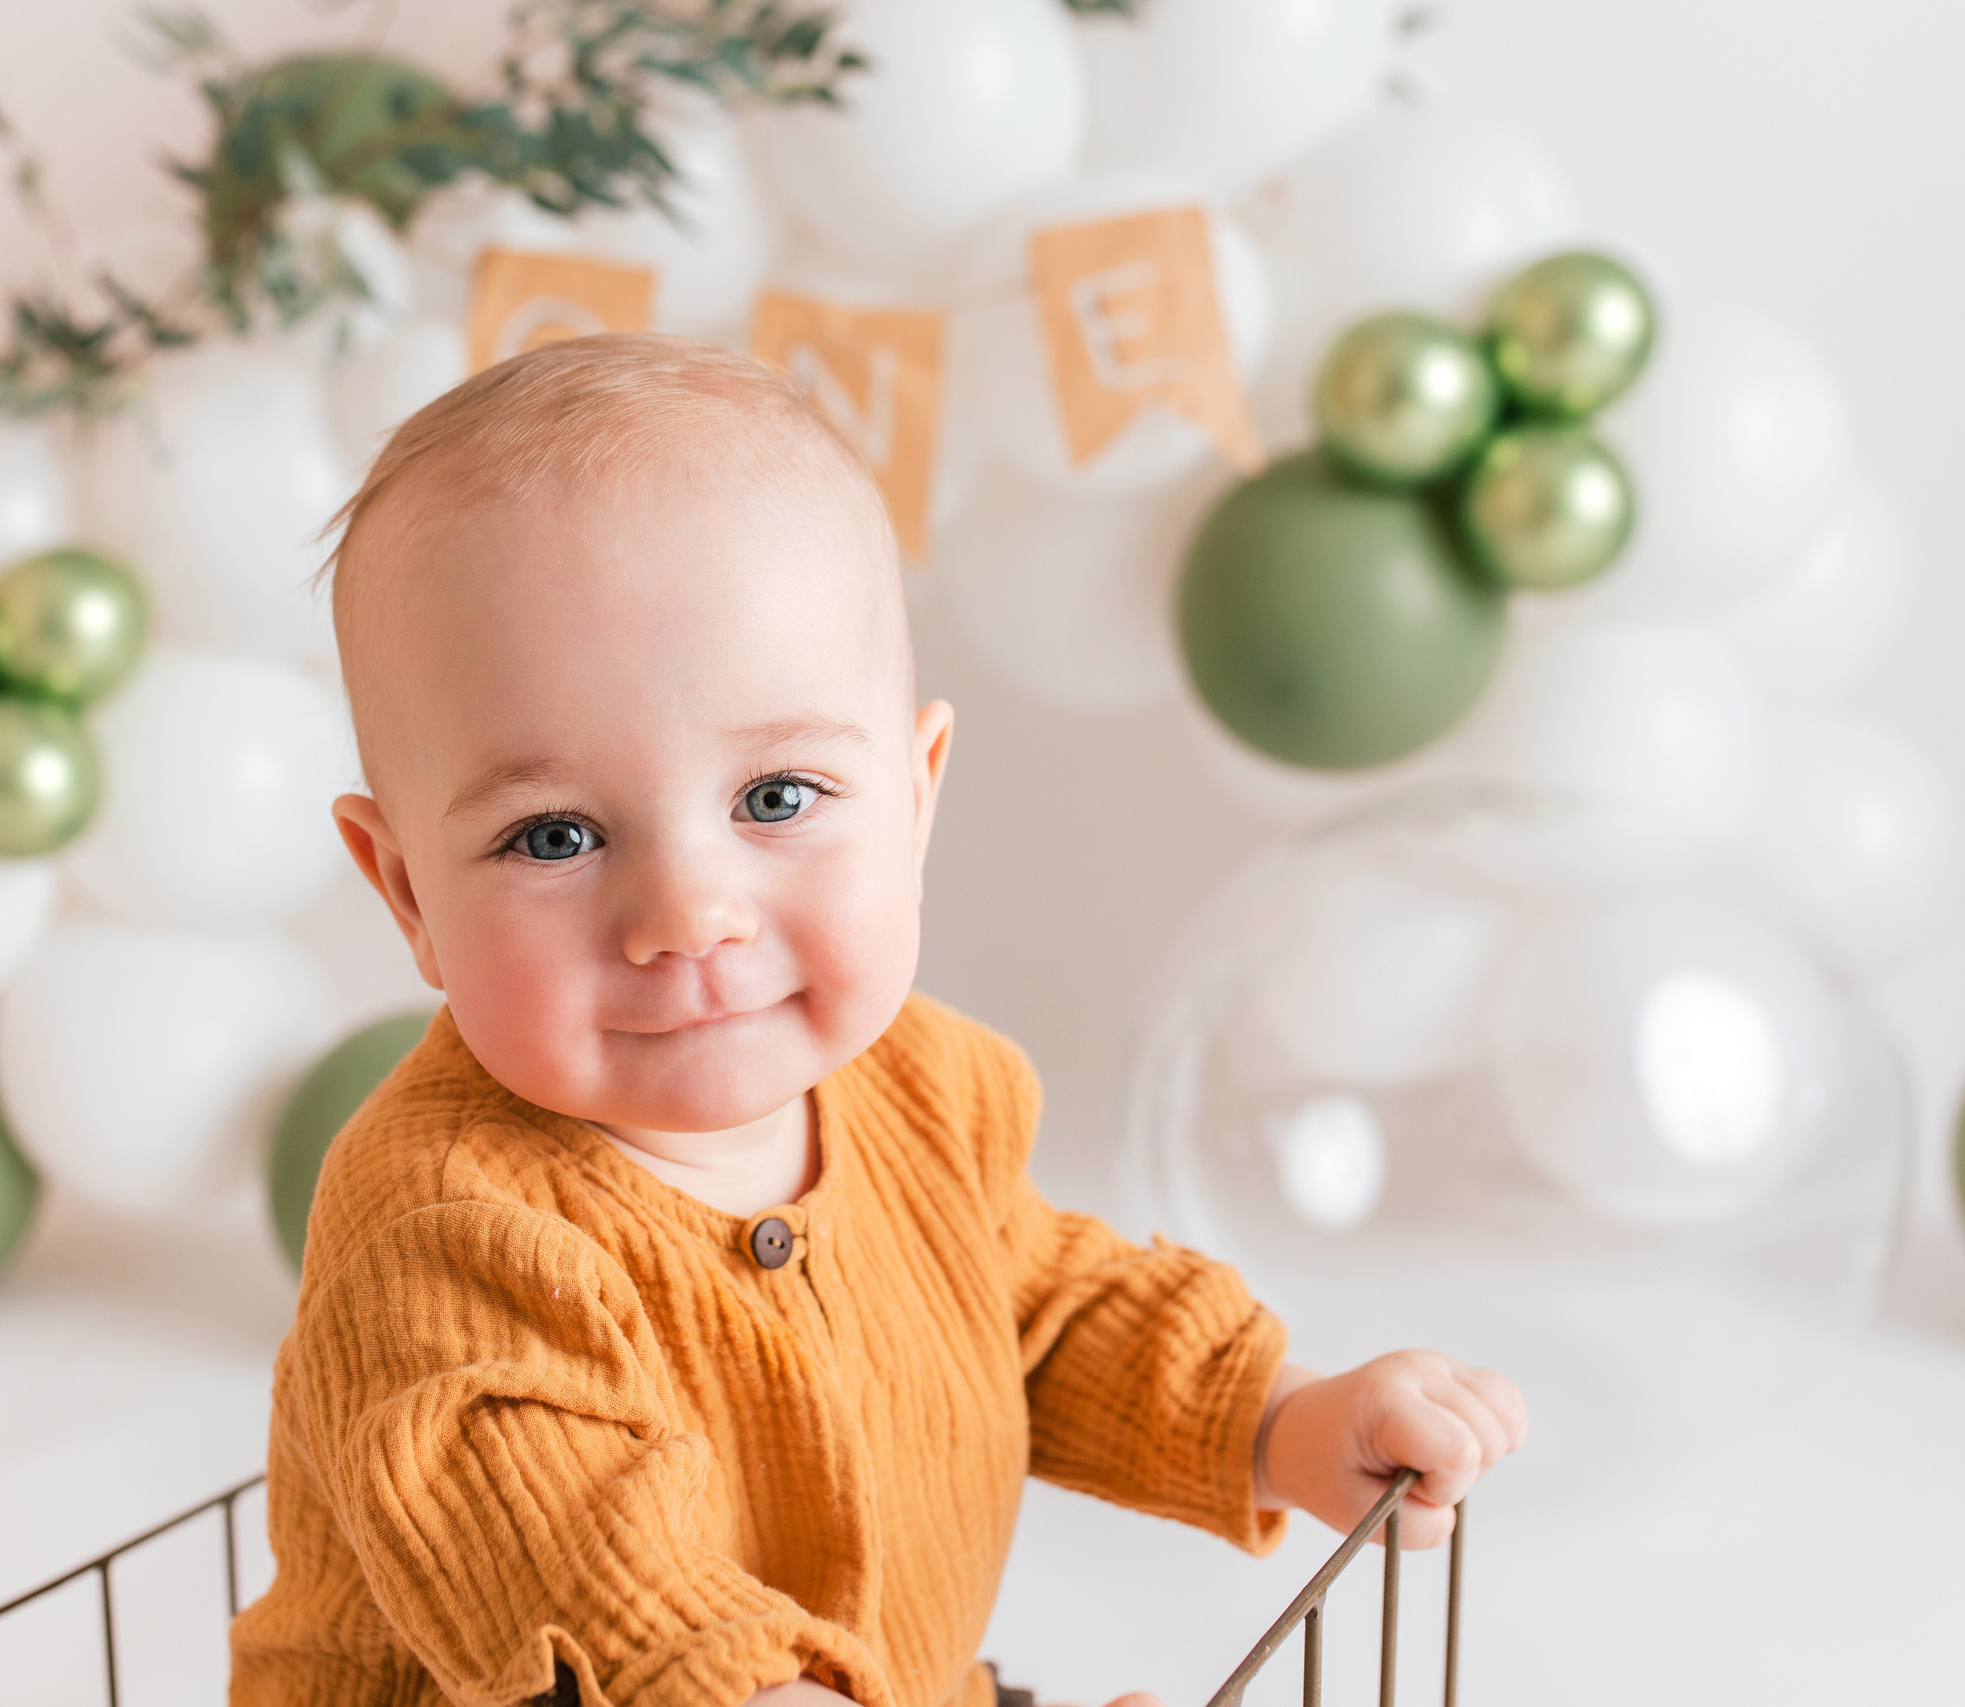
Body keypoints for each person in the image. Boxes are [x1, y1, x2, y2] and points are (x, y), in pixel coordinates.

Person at [229, 333, 1525, 1707]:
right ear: (406, 892)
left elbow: (1044, 1310)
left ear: (915, 798)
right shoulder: (445, 1230)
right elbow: (577, 1557)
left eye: (776, 798)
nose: (688, 912)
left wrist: (1281, 1417)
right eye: (554, 834)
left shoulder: (927, 1088)